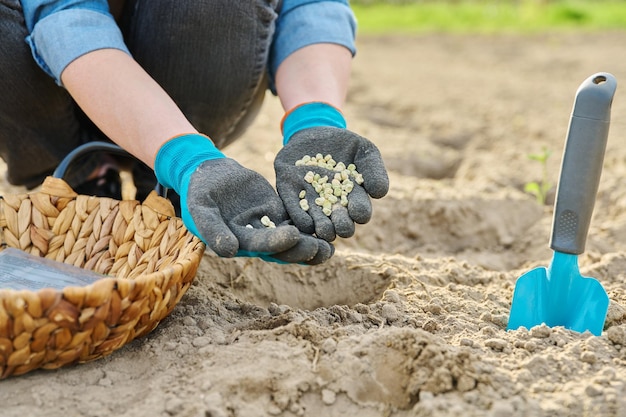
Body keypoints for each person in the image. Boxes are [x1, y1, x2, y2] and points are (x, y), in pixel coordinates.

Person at [0, 0, 389, 265]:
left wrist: (314, 119)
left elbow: (312, 5)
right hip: (53, 96)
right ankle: (81, 175)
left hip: (197, 79)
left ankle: (160, 177)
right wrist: (185, 157)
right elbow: (68, 15)